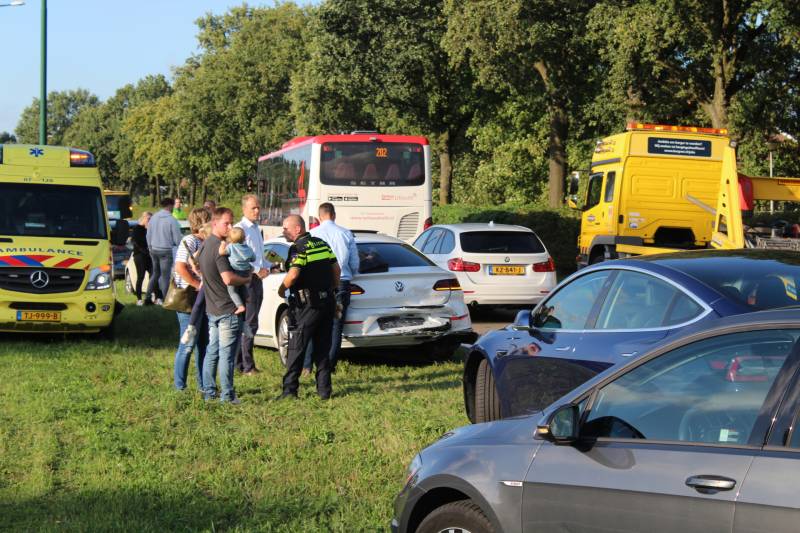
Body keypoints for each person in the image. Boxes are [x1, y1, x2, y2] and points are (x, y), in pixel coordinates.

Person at [278, 215, 340, 400]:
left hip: (307, 306)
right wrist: (333, 291)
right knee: (323, 349)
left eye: (285, 228)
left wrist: (282, 290)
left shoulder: (298, 248)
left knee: (296, 347)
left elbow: (294, 274)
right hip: (327, 303)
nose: (283, 231)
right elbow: (336, 270)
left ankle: (289, 391)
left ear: (297, 229)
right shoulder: (322, 243)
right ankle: (324, 391)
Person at [198, 207, 250, 404]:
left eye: (231, 223)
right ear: (214, 223)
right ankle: (227, 396)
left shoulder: (204, 246)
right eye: (226, 223)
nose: (230, 227)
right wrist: (246, 280)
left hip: (212, 308)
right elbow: (228, 279)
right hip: (228, 309)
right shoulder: (220, 249)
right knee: (227, 356)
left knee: (212, 351)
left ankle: (209, 393)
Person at [302, 203, 359, 374]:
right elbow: (354, 263)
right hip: (341, 282)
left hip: (318, 284)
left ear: (320, 217)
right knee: (336, 325)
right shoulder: (346, 233)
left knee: (313, 323)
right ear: (334, 215)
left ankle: (306, 366)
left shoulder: (312, 234)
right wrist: (351, 273)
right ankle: (328, 365)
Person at [172, 208, 211, 391]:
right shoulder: (189, 241)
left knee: (203, 343)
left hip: (203, 300)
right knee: (187, 344)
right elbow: (180, 267)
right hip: (190, 300)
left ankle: (203, 385)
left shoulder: (206, 241)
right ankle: (180, 387)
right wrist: (198, 285)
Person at [234, 194, 269, 376]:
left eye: (258, 207)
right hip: (247, 280)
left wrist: (270, 266)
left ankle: (240, 363)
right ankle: (247, 365)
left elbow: (259, 257)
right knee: (249, 323)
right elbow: (238, 256)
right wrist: (257, 270)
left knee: (249, 322)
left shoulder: (256, 228)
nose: (257, 211)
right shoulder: (240, 229)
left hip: (256, 279)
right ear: (244, 209)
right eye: (253, 208)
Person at [145, 197, 182, 305]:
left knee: (155, 274)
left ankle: (147, 297)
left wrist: (150, 247)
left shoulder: (154, 217)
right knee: (165, 276)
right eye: (173, 205)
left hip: (153, 249)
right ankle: (166, 300)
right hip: (165, 250)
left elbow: (148, 235)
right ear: (170, 205)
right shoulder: (171, 220)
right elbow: (177, 239)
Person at [219, 227, 255, 314]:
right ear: (244, 238)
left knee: (232, 291)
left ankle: (240, 306)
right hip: (246, 271)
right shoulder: (248, 248)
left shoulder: (231, 247)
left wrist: (223, 244)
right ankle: (247, 300)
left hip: (235, 271)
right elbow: (253, 259)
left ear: (230, 239)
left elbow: (221, 252)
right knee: (243, 286)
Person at [131, 211, 153, 306]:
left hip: (148, 255)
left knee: (153, 275)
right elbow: (135, 242)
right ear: (144, 218)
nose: (150, 222)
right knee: (141, 276)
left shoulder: (148, 229)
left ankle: (154, 296)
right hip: (139, 255)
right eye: (149, 219)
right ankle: (139, 298)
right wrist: (144, 250)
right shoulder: (136, 229)